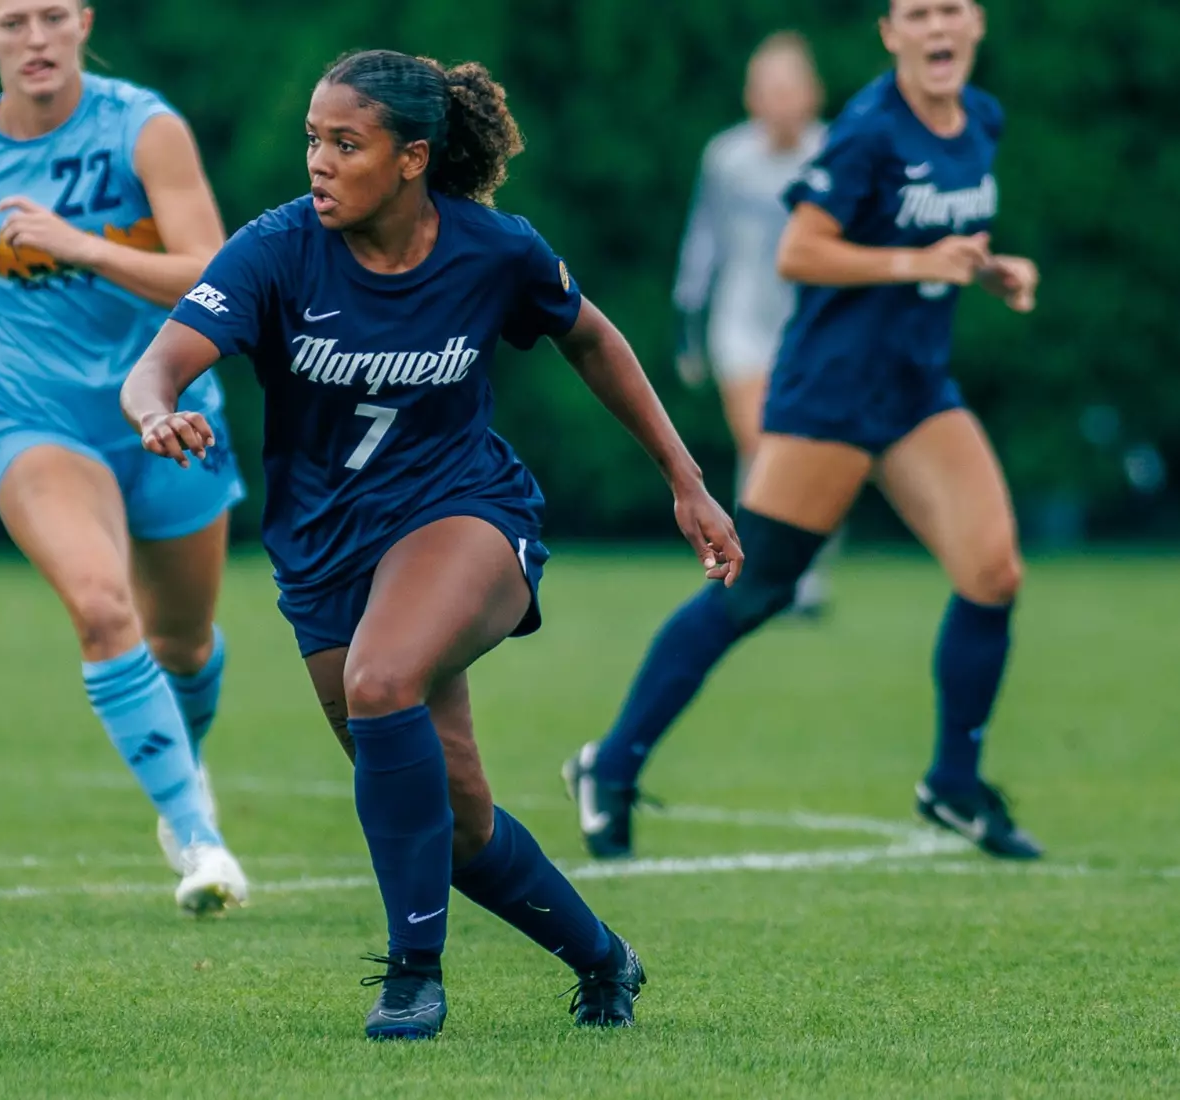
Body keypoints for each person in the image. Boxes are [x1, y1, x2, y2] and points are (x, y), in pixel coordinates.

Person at [122, 49, 741, 1040]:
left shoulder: (496, 250)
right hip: (325, 554)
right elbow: (160, 365)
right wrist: (155, 409)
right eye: (313, 141)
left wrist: (688, 481)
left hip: (466, 515)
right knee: (450, 821)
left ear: (413, 157)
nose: (319, 162)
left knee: (380, 681)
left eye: (346, 143)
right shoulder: (274, 250)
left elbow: (594, 338)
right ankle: (603, 957)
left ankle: (413, 973)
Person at [566, 0, 1043, 864]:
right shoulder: (865, 131)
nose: (937, 26)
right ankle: (612, 763)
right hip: (830, 390)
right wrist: (916, 262)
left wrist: (990, 269)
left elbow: (940, 231)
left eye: (952, 10)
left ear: (975, 24)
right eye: (916, 13)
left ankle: (954, 784)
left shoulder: (982, 119)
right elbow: (801, 250)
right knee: (758, 586)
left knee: (994, 572)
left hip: (915, 387)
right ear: (890, 35)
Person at [0, 0, 248, 915]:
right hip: (35, 420)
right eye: (12, 23)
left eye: (52, 16)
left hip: (171, 414)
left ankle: (185, 774)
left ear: (84, 22)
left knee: (182, 642)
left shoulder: (145, 128)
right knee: (100, 608)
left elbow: (215, 268)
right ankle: (199, 841)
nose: (35, 39)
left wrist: (79, 245)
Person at [674, 31, 835, 617]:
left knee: (811, 450)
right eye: (768, 89)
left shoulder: (834, 152)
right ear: (752, 96)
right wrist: (687, 327)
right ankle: (760, 569)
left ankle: (805, 574)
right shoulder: (728, 158)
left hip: (810, 325)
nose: (780, 101)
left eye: (790, 88)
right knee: (760, 444)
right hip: (741, 321)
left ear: (812, 94)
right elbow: (704, 242)